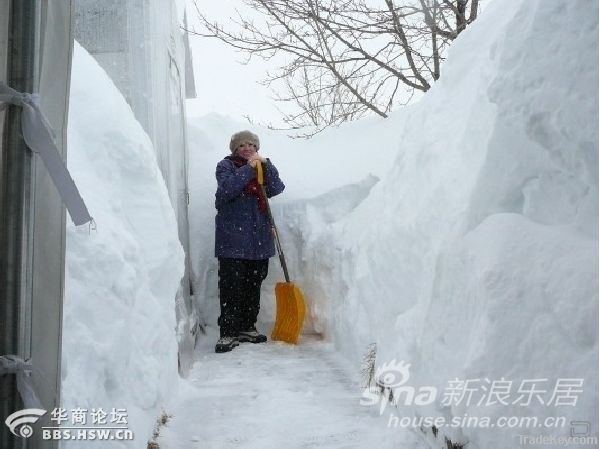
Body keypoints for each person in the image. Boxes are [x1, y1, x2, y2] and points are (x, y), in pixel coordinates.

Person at [214, 130, 285, 353]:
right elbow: (226, 190)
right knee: (231, 286)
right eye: (242, 145)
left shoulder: (262, 167)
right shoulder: (226, 167)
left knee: (252, 285)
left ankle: (247, 326)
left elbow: (276, 188)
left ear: (257, 148)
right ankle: (228, 332)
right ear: (235, 149)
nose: (247, 148)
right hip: (232, 240)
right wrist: (248, 169)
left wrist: (267, 166)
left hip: (258, 239)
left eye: (251, 145)